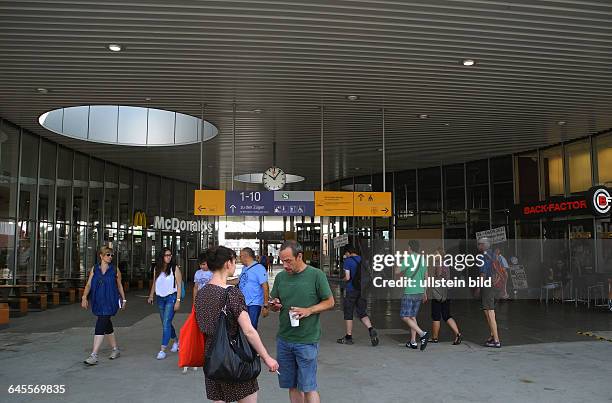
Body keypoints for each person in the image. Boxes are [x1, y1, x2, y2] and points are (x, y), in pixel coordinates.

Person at [195, 246, 279, 403]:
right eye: (234, 261)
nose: (236, 265)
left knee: (218, 399)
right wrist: (267, 358)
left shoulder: (201, 294)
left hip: (212, 356)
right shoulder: (232, 293)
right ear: (228, 263)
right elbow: (248, 331)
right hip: (235, 356)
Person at [269, 240, 334, 403]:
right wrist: (275, 305)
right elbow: (274, 302)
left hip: (307, 340)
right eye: (282, 261)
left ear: (299, 256)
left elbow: (330, 302)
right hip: (284, 339)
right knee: (292, 385)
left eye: (288, 261)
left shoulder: (316, 275)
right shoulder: (281, 277)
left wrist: (309, 310)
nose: (284, 265)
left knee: (308, 386)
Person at [81, 245, 126, 365]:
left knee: (101, 323)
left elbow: (120, 285)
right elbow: (89, 285)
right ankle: (115, 349)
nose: (110, 257)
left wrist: (124, 299)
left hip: (110, 300)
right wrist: (84, 296)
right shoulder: (95, 269)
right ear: (101, 256)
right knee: (107, 324)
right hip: (98, 300)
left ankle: (94, 355)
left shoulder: (115, 270)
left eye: (112, 255)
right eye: (108, 254)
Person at [336, 245, 379, 346]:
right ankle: (371, 329)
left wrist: (341, 281)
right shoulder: (363, 260)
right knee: (362, 312)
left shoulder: (348, 261)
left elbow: (347, 277)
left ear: (348, 252)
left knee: (348, 313)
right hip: (362, 290)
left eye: (345, 253)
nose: (345, 256)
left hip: (351, 290)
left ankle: (348, 337)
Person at [147, 247, 183, 359]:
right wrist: (151, 295)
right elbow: (154, 282)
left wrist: (178, 301)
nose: (169, 257)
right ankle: (177, 341)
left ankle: (162, 349)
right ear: (161, 256)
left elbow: (179, 285)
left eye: (170, 255)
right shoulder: (157, 268)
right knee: (165, 323)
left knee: (166, 322)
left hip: (171, 298)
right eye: (166, 255)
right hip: (160, 298)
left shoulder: (174, 268)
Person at [396, 240, 429, 351]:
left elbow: (397, 271)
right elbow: (426, 276)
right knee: (412, 316)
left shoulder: (409, 258)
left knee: (404, 316)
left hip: (410, 291)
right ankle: (413, 342)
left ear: (410, 248)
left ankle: (422, 333)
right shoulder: (423, 259)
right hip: (419, 292)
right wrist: (425, 292)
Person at [429, 248, 462, 345]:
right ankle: (457, 333)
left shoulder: (439, 263)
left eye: (435, 253)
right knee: (446, 315)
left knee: (436, 315)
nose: (434, 255)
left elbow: (438, 275)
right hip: (447, 292)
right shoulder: (446, 264)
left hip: (439, 293)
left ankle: (435, 337)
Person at [477, 237, 501, 348]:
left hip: (487, 286)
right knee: (487, 312)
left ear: (483, 245)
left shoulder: (482, 257)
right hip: (493, 285)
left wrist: (478, 287)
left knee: (490, 313)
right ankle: (492, 335)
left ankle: (496, 340)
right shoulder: (493, 255)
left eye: (479, 244)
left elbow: (483, 274)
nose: (478, 246)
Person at [237, 247, 269, 329]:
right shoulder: (244, 268)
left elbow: (265, 287)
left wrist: (265, 305)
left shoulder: (259, 268)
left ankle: (251, 342)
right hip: (243, 303)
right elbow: (240, 281)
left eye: (240, 256)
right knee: (243, 327)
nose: (239, 258)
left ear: (245, 256)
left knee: (251, 328)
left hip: (254, 304)